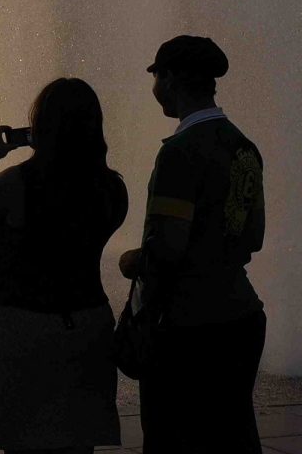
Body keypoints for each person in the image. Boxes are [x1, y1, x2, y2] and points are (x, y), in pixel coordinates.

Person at [0, 77, 129, 454]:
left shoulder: (17, 182)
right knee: (78, 442)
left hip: (20, 329)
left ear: (41, 126)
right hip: (87, 325)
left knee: (21, 442)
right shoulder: (113, 189)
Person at [118, 35, 266, 454]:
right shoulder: (244, 147)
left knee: (172, 439)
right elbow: (253, 237)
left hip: (188, 327)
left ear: (170, 79)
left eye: (156, 76)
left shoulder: (180, 154)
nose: (155, 88)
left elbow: (167, 248)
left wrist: (131, 261)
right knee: (234, 436)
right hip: (241, 316)